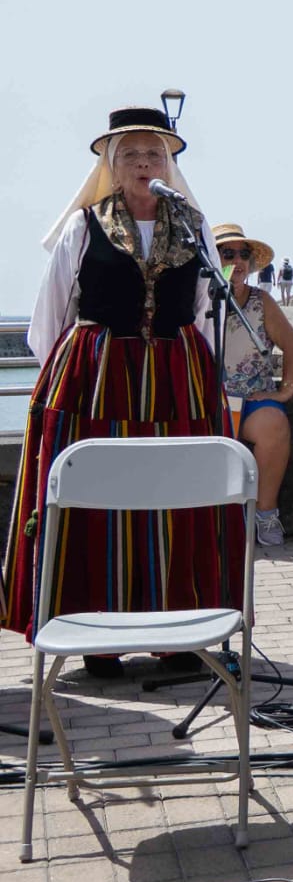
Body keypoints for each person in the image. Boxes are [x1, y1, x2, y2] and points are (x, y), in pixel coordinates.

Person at [4, 106, 242, 675]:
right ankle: (96, 639)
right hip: (98, 383)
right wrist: (80, 375)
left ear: (170, 162)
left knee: (180, 496)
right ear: (111, 164)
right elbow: (50, 320)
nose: (144, 162)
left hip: (177, 382)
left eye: (154, 153)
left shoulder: (193, 225)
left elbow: (206, 308)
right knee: (98, 500)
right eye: (131, 153)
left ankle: (183, 634)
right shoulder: (82, 227)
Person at [211, 224, 293, 547]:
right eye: (228, 253)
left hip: (251, 399)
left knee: (275, 426)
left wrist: (285, 391)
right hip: (211, 400)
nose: (237, 261)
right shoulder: (198, 301)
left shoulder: (261, 301)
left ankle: (265, 513)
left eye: (244, 254)